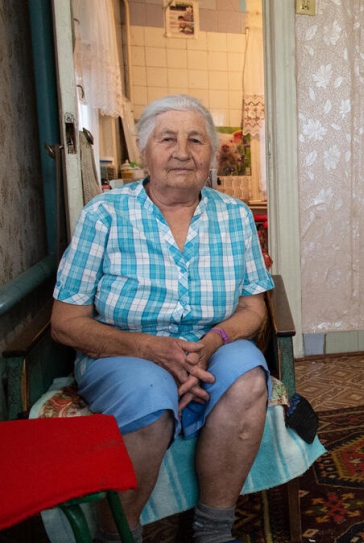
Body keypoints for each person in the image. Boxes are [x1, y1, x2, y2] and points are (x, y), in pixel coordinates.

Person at [51, 94, 275, 543]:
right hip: (125, 352)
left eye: (196, 140)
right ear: (142, 152)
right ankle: (118, 535)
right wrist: (149, 349)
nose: (182, 151)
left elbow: (254, 309)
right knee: (150, 393)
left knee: (249, 377)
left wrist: (212, 343)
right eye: (167, 138)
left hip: (209, 347)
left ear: (210, 154)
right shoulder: (106, 214)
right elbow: (65, 321)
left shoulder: (234, 216)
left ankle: (213, 530)